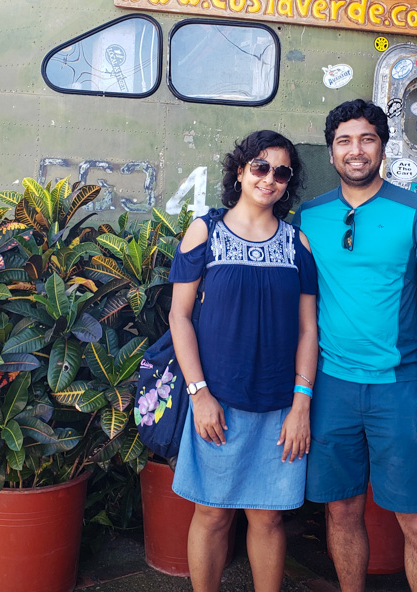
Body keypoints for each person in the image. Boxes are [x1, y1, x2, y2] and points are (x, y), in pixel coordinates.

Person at [294, 99, 417, 592]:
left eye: (366, 139)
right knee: (340, 512)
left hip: (399, 388)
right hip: (332, 388)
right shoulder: (309, 216)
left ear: (382, 146)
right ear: (331, 152)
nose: (356, 150)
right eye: (344, 140)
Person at [169, 130, 319, 592]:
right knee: (212, 514)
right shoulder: (205, 231)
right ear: (240, 170)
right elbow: (179, 316)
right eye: (259, 166)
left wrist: (301, 405)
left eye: (281, 172)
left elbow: (308, 329)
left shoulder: (298, 244)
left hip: (278, 405)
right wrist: (199, 395)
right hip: (218, 401)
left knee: (269, 517)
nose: (269, 178)